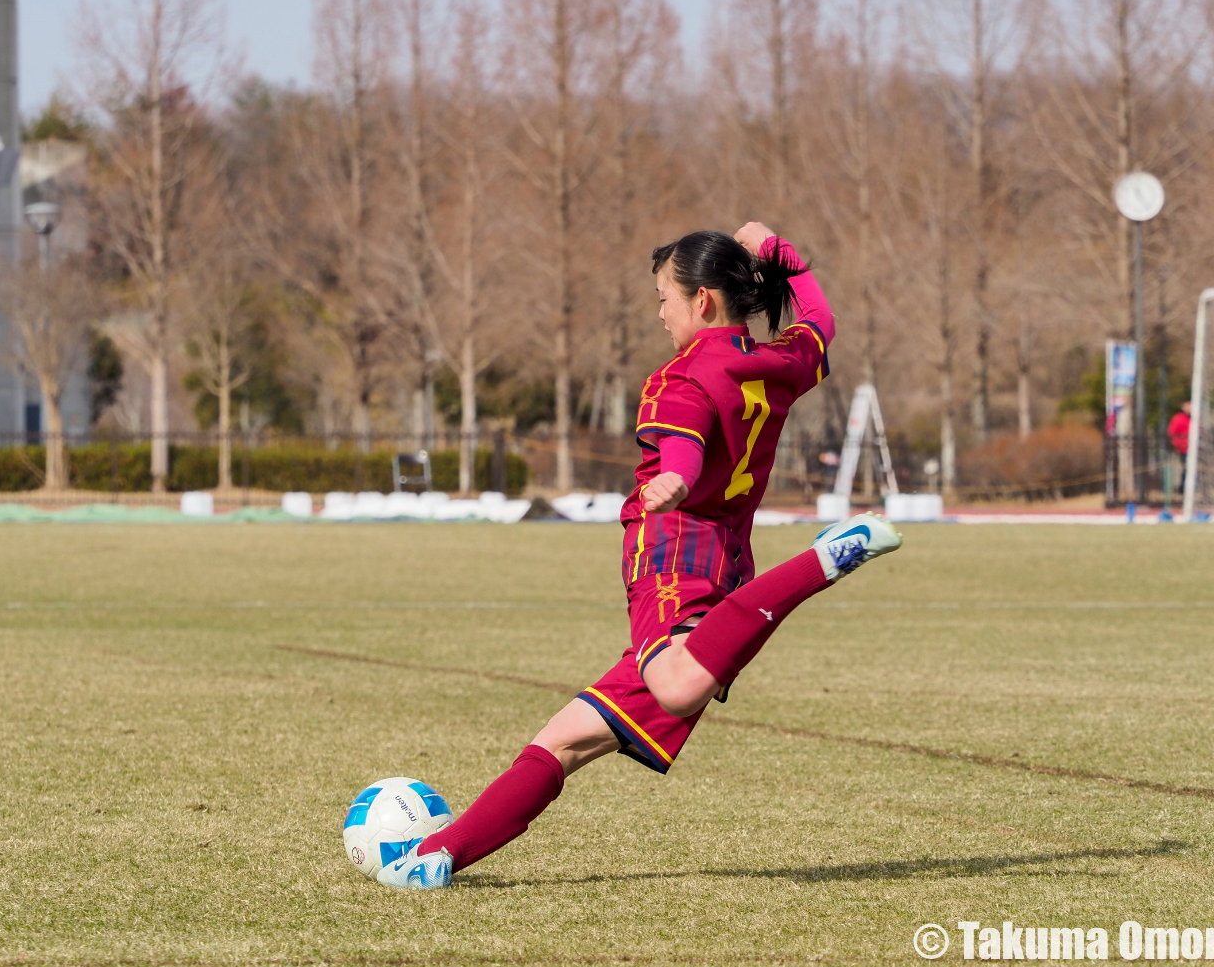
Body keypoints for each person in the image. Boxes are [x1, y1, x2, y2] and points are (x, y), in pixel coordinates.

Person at [377, 223, 903, 890]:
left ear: (701, 300)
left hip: (673, 558)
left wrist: (677, 479)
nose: (660, 314)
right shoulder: (778, 364)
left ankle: (822, 561)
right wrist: (783, 254)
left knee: (677, 686)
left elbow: (683, 450)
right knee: (564, 739)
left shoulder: (679, 377)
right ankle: (436, 858)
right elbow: (821, 324)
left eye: (664, 299)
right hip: (726, 567)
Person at [1168, 401, 1192, 494]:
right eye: (1188, 406)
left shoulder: (1195, 418)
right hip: (1184, 448)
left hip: (1195, 448)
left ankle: (1189, 487)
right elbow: (1172, 432)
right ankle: (1183, 488)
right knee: (1186, 468)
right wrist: (1179, 444)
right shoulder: (1179, 418)